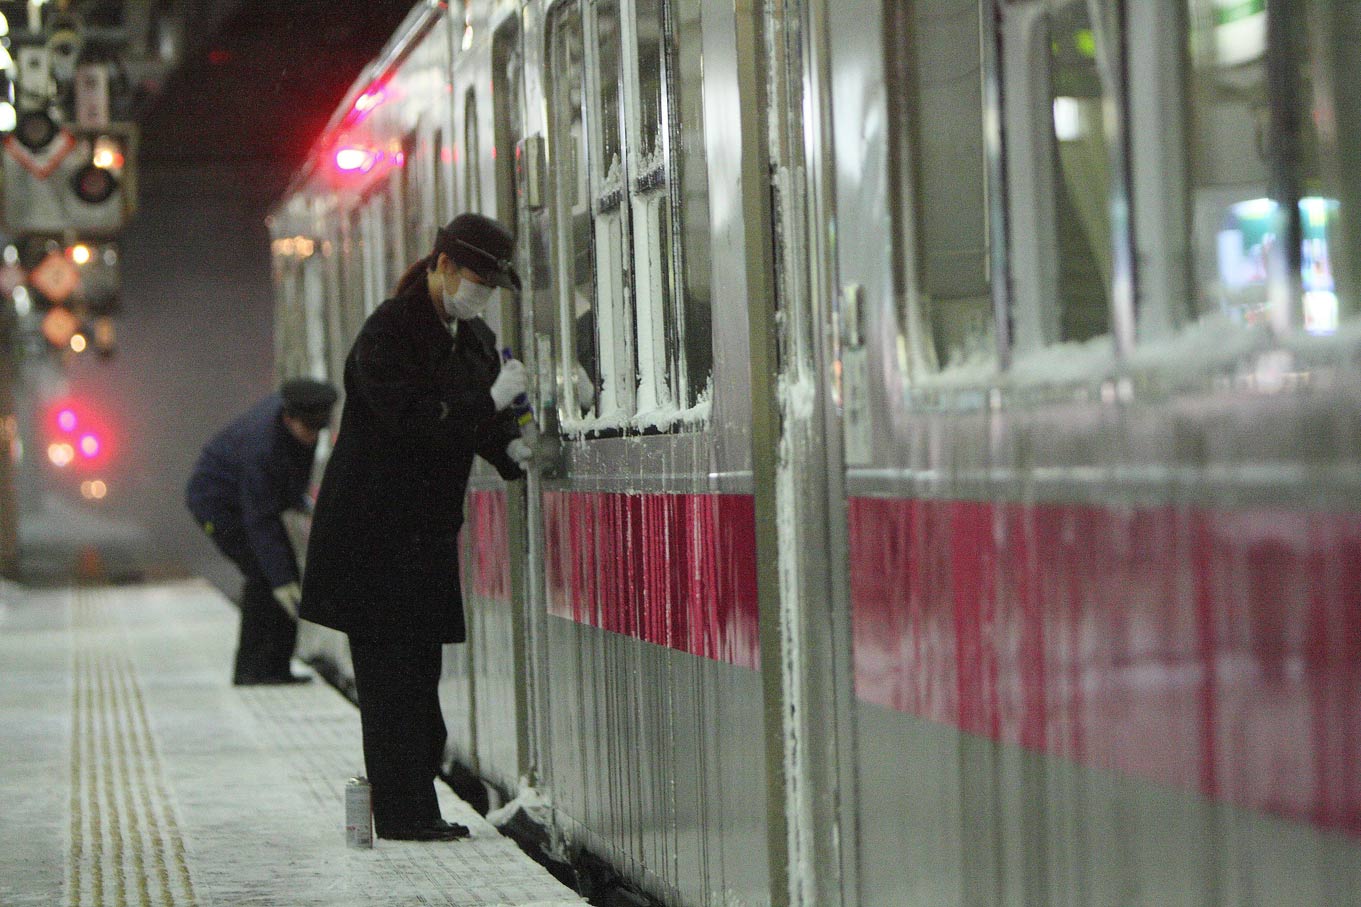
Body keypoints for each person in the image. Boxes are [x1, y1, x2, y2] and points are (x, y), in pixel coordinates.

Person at [299, 213, 531, 842]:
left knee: (418, 686)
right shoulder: (390, 331)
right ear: (442, 265)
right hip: (371, 539)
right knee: (391, 688)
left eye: (489, 285)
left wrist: (514, 452)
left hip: (421, 540)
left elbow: (480, 427)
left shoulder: (474, 338)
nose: (479, 293)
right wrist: (489, 402)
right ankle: (404, 817)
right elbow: (414, 420)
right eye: (475, 279)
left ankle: (416, 809)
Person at [185, 377, 338, 685]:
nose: (313, 437)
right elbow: (260, 521)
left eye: (319, 429)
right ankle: (251, 670)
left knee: (281, 576)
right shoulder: (262, 447)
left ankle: (275, 667)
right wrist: (281, 579)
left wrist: (300, 501)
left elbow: (291, 474)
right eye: (309, 429)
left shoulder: (298, 424)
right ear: (289, 417)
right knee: (264, 576)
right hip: (217, 504)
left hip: (248, 503)